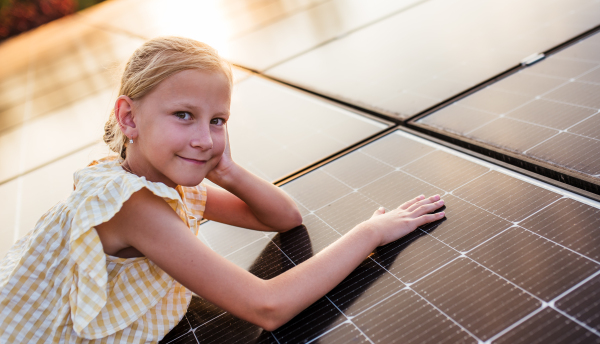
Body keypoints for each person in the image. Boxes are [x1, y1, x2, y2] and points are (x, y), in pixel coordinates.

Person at [0, 36, 445, 343]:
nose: (204, 138)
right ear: (129, 118)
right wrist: (370, 232)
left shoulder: (164, 182)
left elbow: (282, 218)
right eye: (183, 115)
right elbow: (267, 307)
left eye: (217, 121)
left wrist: (227, 170)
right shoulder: (132, 204)